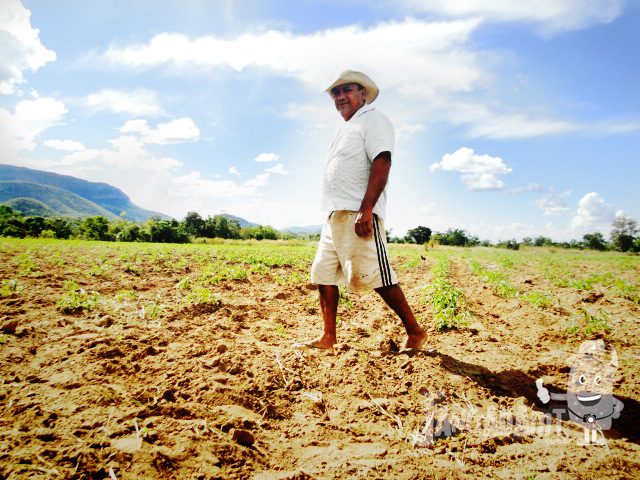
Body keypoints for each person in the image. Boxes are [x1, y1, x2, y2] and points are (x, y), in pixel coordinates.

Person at [298, 70, 427, 351]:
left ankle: (415, 332)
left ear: (363, 94)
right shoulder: (345, 127)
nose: (341, 96)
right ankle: (328, 336)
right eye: (335, 92)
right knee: (323, 275)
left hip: (359, 213)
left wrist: (366, 209)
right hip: (334, 215)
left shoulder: (373, 119)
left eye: (348, 90)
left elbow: (382, 161)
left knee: (379, 276)